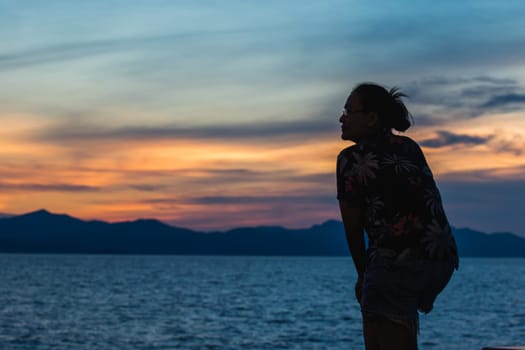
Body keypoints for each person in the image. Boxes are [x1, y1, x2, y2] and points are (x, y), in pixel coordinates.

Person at [336, 83, 459, 350]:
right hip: (441, 259)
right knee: (397, 308)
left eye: (349, 111)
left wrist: (363, 277)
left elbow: (353, 227)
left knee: (378, 311)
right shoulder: (409, 147)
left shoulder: (351, 159)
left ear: (372, 118)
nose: (342, 118)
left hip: (395, 262)